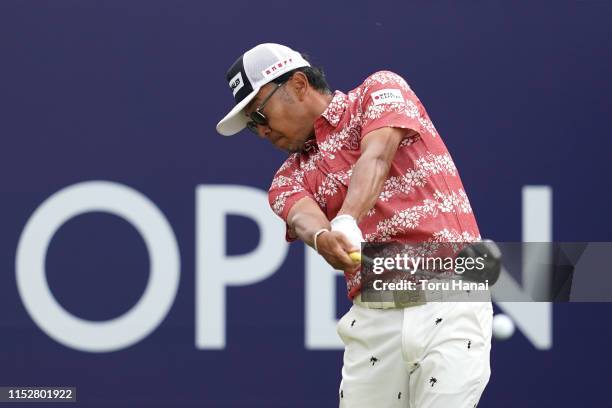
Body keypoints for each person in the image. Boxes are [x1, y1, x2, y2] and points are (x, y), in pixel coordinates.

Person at [216, 43, 493, 408]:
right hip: (374, 319)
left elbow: (376, 157)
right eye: (252, 127)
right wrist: (323, 235)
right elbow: (303, 217)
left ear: (299, 84)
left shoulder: (379, 90)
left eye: (260, 116)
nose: (262, 133)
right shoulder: (286, 180)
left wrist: (346, 219)